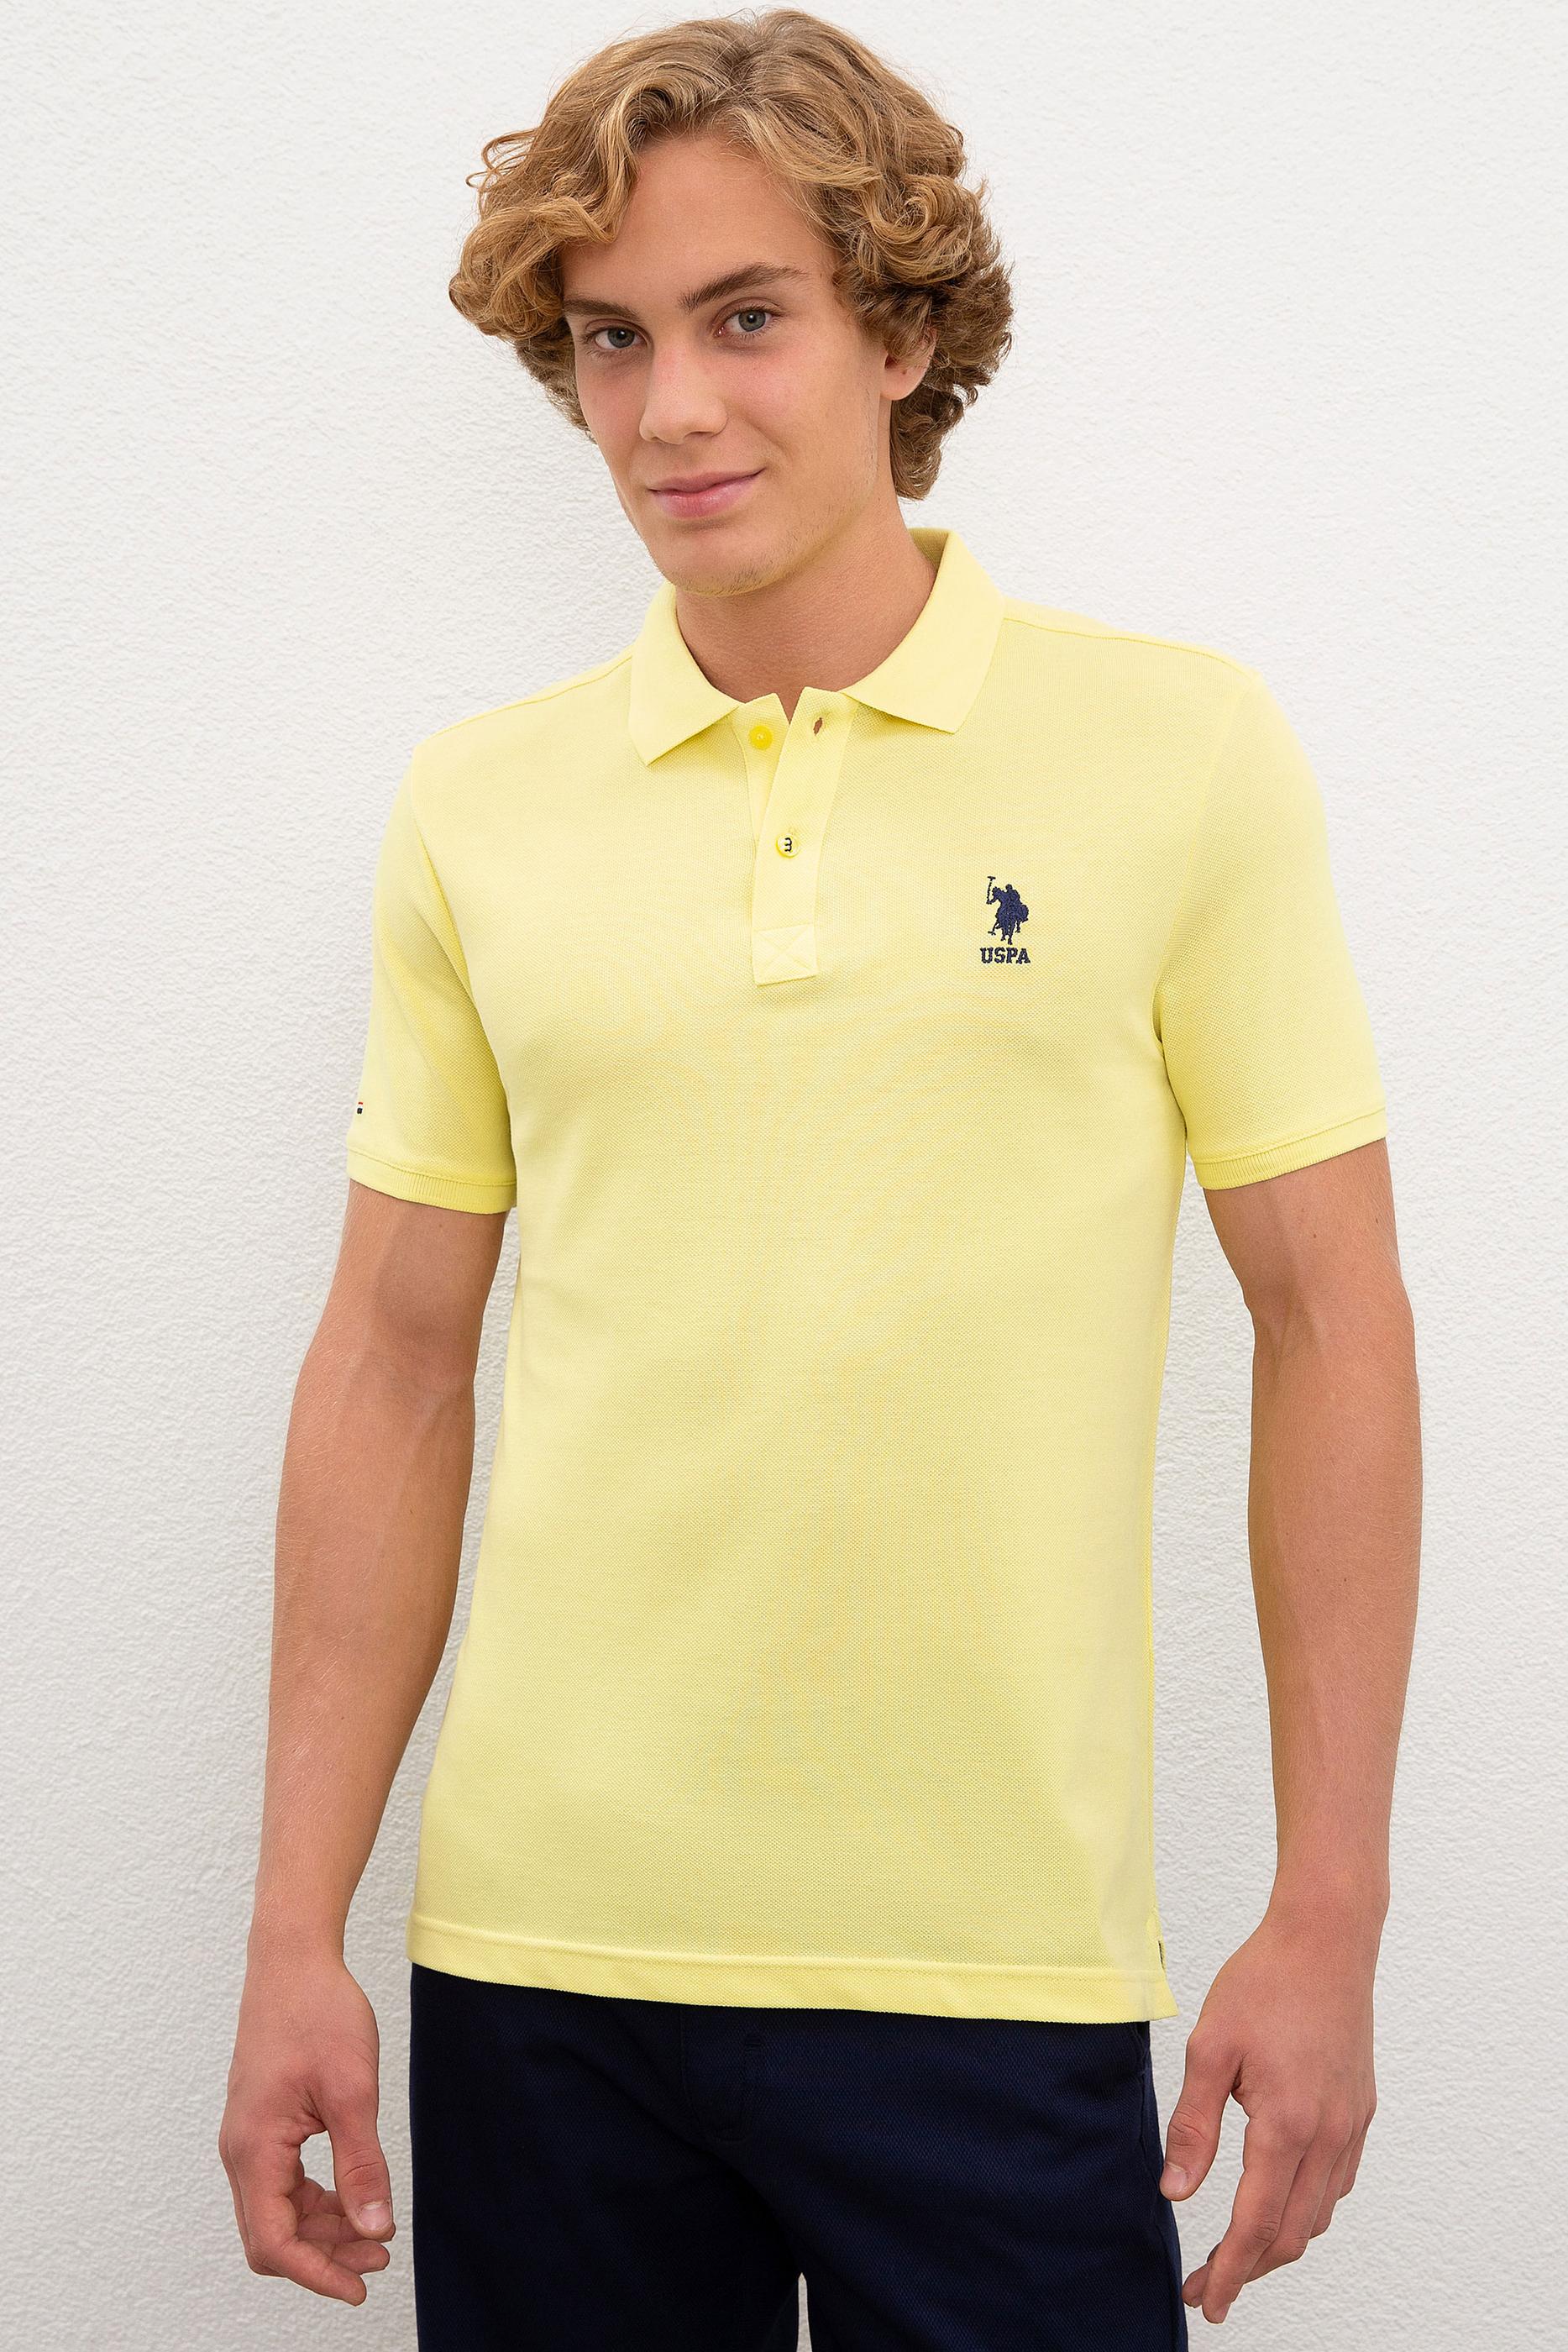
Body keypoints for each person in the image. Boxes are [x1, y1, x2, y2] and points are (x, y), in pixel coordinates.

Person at [219, 10, 1421, 2344]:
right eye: (611, 339)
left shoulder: (1175, 754)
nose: (670, 408)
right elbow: (389, 1362)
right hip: (544, 1973)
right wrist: (294, 1931)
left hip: (989, 1972)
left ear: (900, 329)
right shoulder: (480, 806)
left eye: (745, 316)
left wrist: (1330, 1909)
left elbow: (1331, 1320)